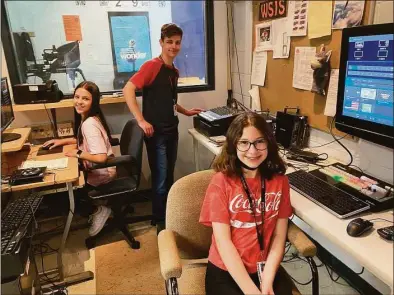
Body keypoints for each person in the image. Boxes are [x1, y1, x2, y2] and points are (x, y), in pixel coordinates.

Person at [199, 112, 293, 295]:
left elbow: (279, 236)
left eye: (259, 141)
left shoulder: (280, 182)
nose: (252, 151)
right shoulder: (221, 182)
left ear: (269, 143)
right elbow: (223, 242)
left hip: (264, 267)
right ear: (234, 145)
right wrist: (252, 291)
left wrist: (266, 280)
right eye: (244, 142)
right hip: (227, 268)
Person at [122, 23, 203, 232]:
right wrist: (140, 120)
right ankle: (160, 224)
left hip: (171, 130)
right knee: (159, 179)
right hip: (155, 133)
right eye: (169, 42)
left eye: (177, 43)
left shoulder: (173, 71)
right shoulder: (152, 66)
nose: (174, 46)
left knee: (168, 176)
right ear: (161, 43)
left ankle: (167, 216)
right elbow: (128, 89)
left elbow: (169, 100)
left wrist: (185, 112)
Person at [43, 81, 116, 237]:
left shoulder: (89, 123)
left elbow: (101, 157)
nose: (79, 102)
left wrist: (78, 153)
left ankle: (98, 209)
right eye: (77, 97)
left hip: (102, 174)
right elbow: (86, 142)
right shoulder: (90, 118)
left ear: (94, 102)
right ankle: (96, 207)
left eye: (85, 99)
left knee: (55, 196)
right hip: (100, 170)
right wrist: (63, 141)